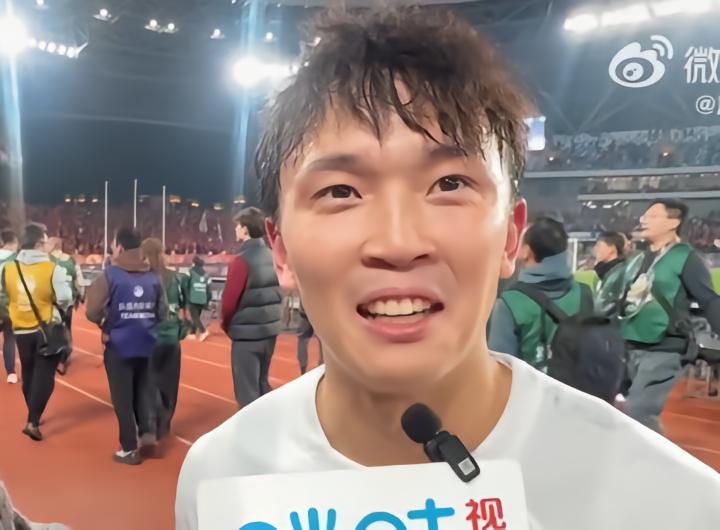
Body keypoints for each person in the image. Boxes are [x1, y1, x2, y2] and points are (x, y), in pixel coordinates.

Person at [176, 8, 720, 530]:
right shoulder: (221, 478)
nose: (397, 242)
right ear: (282, 251)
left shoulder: (676, 506)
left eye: (450, 184)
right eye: (340, 191)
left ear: (510, 236)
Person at [621, 199, 720, 433]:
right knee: (624, 413)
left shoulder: (686, 257)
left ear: (673, 223)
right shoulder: (638, 258)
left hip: (664, 347)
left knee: (639, 413)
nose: (644, 220)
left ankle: (654, 456)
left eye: (652, 216)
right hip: (629, 344)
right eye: (644, 216)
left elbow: (708, 299)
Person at [86, 228, 167, 465]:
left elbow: (92, 310)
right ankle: (148, 434)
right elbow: (163, 312)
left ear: (120, 248)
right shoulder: (154, 277)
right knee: (144, 390)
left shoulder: (110, 275)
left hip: (119, 345)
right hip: (147, 342)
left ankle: (129, 448)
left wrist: (104, 324)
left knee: (122, 398)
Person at [487, 217, 590, 369]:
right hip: (579, 383)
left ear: (526, 251)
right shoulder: (585, 294)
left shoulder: (510, 303)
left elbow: (499, 368)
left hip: (529, 384)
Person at [0, 224, 71, 441]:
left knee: (29, 373)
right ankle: (32, 421)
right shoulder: (52, 268)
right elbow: (65, 298)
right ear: (39, 243)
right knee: (45, 375)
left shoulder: (9, 268)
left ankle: (33, 411)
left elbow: (3, 293)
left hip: (20, 328)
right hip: (45, 328)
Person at [220, 207, 282, 407]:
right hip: (269, 332)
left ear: (245, 229)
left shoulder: (241, 261)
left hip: (247, 335)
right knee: (262, 384)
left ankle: (253, 427)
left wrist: (227, 325)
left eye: (238, 226)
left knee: (247, 393)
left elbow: (229, 302)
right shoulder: (273, 256)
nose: (235, 229)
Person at [141, 238, 186, 441]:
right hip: (171, 338)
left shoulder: (142, 279)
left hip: (149, 339)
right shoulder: (175, 278)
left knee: (148, 384)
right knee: (169, 384)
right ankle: (164, 424)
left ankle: (151, 425)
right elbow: (183, 307)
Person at [48, 237, 81, 375]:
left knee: (53, 329)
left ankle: (58, 357)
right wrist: (80, 296)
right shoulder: (71, 260)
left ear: (53, 245)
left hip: (53, 301)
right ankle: (65, 352)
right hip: (68, 301)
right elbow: (78, 279)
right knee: (66, 327)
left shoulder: (47, 260)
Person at [0, 230, 19, 384]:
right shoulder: (16, 260)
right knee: (9, 338)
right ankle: (11, 372)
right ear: (14, 242)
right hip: (8, 304)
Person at [186, 256, 210, 342]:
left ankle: (203, 331)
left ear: (194, 263)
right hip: (202, 298)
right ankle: (192, 333)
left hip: (193, 297)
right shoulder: (206, 274)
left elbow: (186, 284)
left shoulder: (190, 272)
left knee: (194, 316)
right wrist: (207, 300)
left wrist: (186, 296)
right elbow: (208, 289)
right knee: (197, 316)